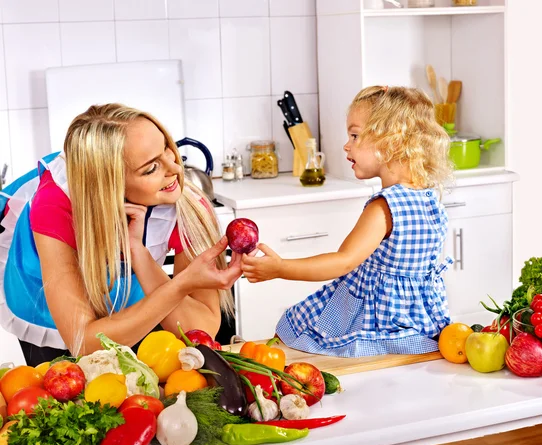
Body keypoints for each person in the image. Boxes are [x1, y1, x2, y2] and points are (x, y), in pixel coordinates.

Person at [0, 104, 243, 366]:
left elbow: (201, 329)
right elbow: (83, 342)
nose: (175, 169)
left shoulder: (187, 203)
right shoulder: (54, 205)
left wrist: (139, 254)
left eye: (167, 149)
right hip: (43, 301)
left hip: (126, 288)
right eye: (151, 168)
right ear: (112, 184)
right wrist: (179, 285)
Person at [242, 86, 454, 357]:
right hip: (419, 325)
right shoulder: (428, 199)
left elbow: (343, 261)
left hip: (379, 325)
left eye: (355, 135)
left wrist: (280, 268)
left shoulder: (384, 207)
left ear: (393, 141)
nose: (346, 145)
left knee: (293, 333)